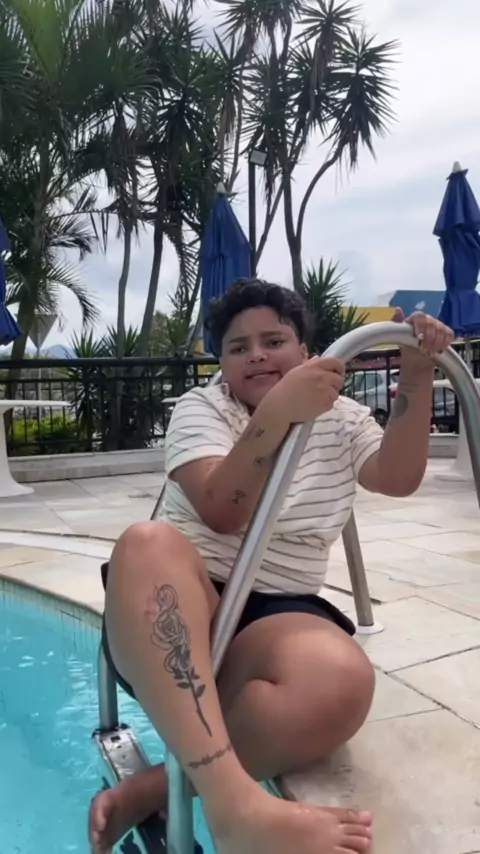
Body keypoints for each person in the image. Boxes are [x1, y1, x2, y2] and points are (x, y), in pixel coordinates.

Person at [89, 279, 453, 854]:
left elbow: (398, 477)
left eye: (273, 341)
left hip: (275, 613)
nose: (256, 355)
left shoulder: (342, 418)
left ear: (306, 351)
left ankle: (154, 790)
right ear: (223, 363)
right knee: (145, 543)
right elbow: (222, 511)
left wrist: (416, 375)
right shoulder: (202, 408)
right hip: (178, 607)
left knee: (339, 681)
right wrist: (279, 412)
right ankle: (235, 806)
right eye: (239, 347)